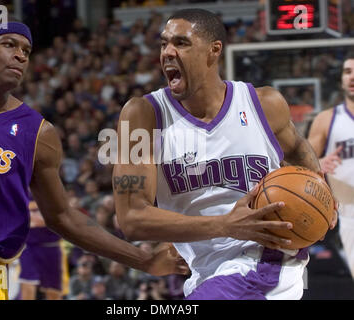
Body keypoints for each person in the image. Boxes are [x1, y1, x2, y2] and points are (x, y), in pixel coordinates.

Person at [0, 16, 188, 300]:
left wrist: (144, 260)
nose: (20, 56)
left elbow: (63, 216)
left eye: (26, 51)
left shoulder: (38, 132)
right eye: (9, 44)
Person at [113, 8, 337, 300]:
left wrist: (322, 193)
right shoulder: (142, 116)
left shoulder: (264, 103)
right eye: (163, 43)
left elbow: (296, 148)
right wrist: (224, 225)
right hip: (206, 274)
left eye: (180, 43)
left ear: (213, 50)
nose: (167, 52)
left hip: (265, 259)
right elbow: (131, 218)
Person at [307, 52, 354, 279]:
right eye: (347, 72)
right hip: (346, 213)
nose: (352, 77)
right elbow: (301, 166)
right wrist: (318, 163)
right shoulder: (326, 119)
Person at [18, 199, 69, 300]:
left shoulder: (51, 190)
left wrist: (32, 218)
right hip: (29, 247)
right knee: (28, 284)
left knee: (53, 291)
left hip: (51, 247)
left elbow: (58, 218)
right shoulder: (21, 190)